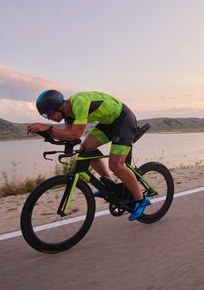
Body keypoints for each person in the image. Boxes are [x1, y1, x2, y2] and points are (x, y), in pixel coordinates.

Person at [26, 90, 150, 221]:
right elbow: (67, 136)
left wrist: (48, 129)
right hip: (109, 124)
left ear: (59, 106)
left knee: (116, 164)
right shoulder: (68, 114)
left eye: (48, 113)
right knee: (86, 149)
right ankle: (109, 185)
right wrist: (46, 133)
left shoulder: (79, 102)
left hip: (123, 120)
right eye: (45, 116)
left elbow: (75, 135)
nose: (48, 117)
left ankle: (140, 200)